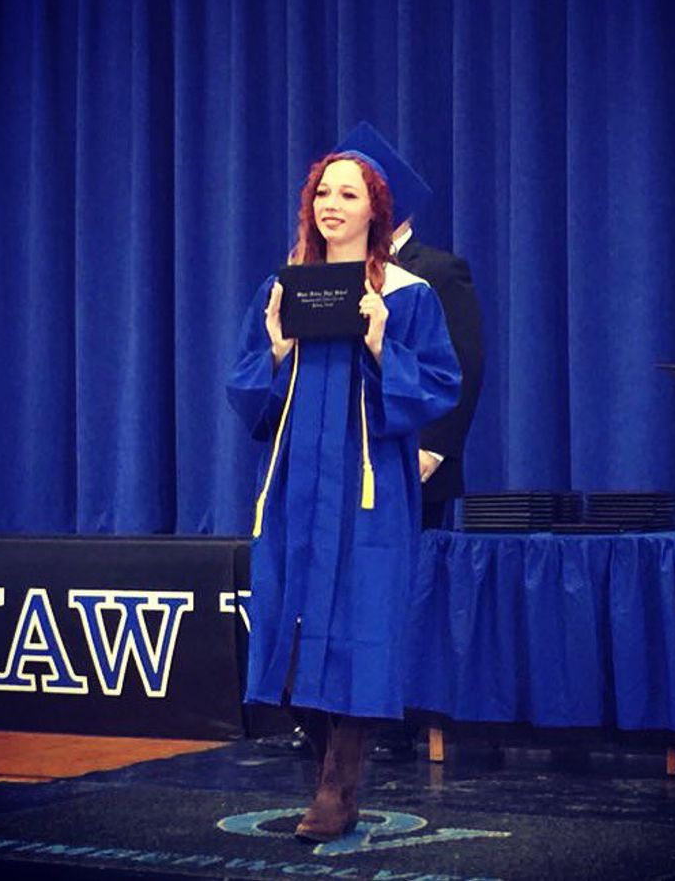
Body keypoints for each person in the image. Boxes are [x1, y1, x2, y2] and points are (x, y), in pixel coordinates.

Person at [227, 148, 461, 841]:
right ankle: (328, 767)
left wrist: (384, 344)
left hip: (367, 488)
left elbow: (439, 386)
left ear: (375, 211)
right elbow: (247, 388)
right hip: (297, 482)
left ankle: (338, 784)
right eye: (323, 193)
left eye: (348, 195)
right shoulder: (283, 289)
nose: (331, 205)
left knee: (362, 620)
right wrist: (275, 348)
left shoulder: (408, 294)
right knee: (293, 622)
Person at [334, 123, 486, 762]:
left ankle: (395, 713)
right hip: (349, 455)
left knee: (401, 587)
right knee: (346, 582)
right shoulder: (328, 269)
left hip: (410, 458)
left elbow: (462, 363)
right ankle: (341, 712)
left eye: (356, 192)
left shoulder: (436, 271)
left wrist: (434, 447)